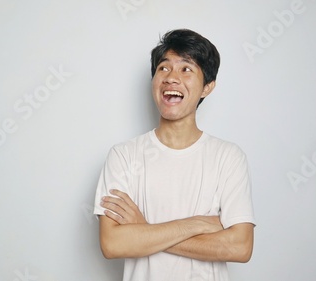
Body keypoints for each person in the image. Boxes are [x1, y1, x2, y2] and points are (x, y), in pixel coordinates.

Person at [93, 28, 256, 281]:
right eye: (163, 68)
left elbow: (240, 247)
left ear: (207, 87)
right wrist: (195, 225)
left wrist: (143, 231)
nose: (171, 78)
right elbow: (112, 244)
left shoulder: (228, 157)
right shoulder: (123, 156)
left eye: (186, 69)